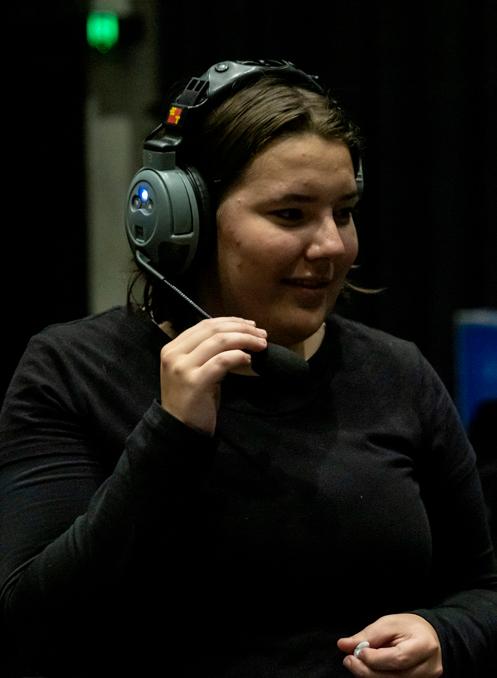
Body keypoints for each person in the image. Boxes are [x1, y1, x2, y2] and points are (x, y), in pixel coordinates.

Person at [0, 58, 496, 678]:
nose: (332, 245)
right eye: (291, 214)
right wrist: (170, 435)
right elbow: (32, 621)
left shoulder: (398, 373)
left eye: (343, 212)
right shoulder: (72, 372)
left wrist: (446, 634)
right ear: (184, 220)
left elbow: (483, 589)